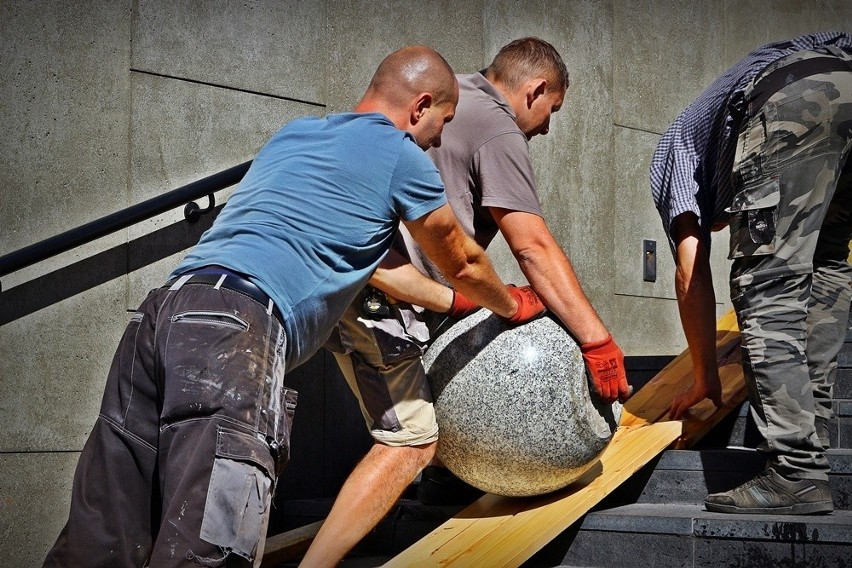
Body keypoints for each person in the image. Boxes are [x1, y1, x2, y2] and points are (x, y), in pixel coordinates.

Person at [42, 45, 548, 568]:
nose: (438, 139)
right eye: (441, 123)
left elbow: (371, 264)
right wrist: (510, 306)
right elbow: (463, 258)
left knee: (104, 533)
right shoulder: (400, 155)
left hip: (164, 313)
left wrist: (454, 302)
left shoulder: (296, 136)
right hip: (236, 336)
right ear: (420, 107)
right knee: (208, 545)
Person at [324, 37, 630, 511]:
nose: (547, 129)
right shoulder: (496, 126)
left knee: (420, 441)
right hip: (389, 300)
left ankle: (445, 487)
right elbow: (531, 246)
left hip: (371, 290)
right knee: (407, 445)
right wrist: (596, 340)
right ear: (535, 89)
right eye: (553, 109)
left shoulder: (451, 97)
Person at [651, 31, 852, 515]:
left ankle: (795, 472)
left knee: (767, 284)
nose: (728, 222)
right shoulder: (713, 125)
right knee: (823, 267)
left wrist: (705, 377)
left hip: (798, 103)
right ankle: (811, 441)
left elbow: (690, 273)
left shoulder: (672, 156)